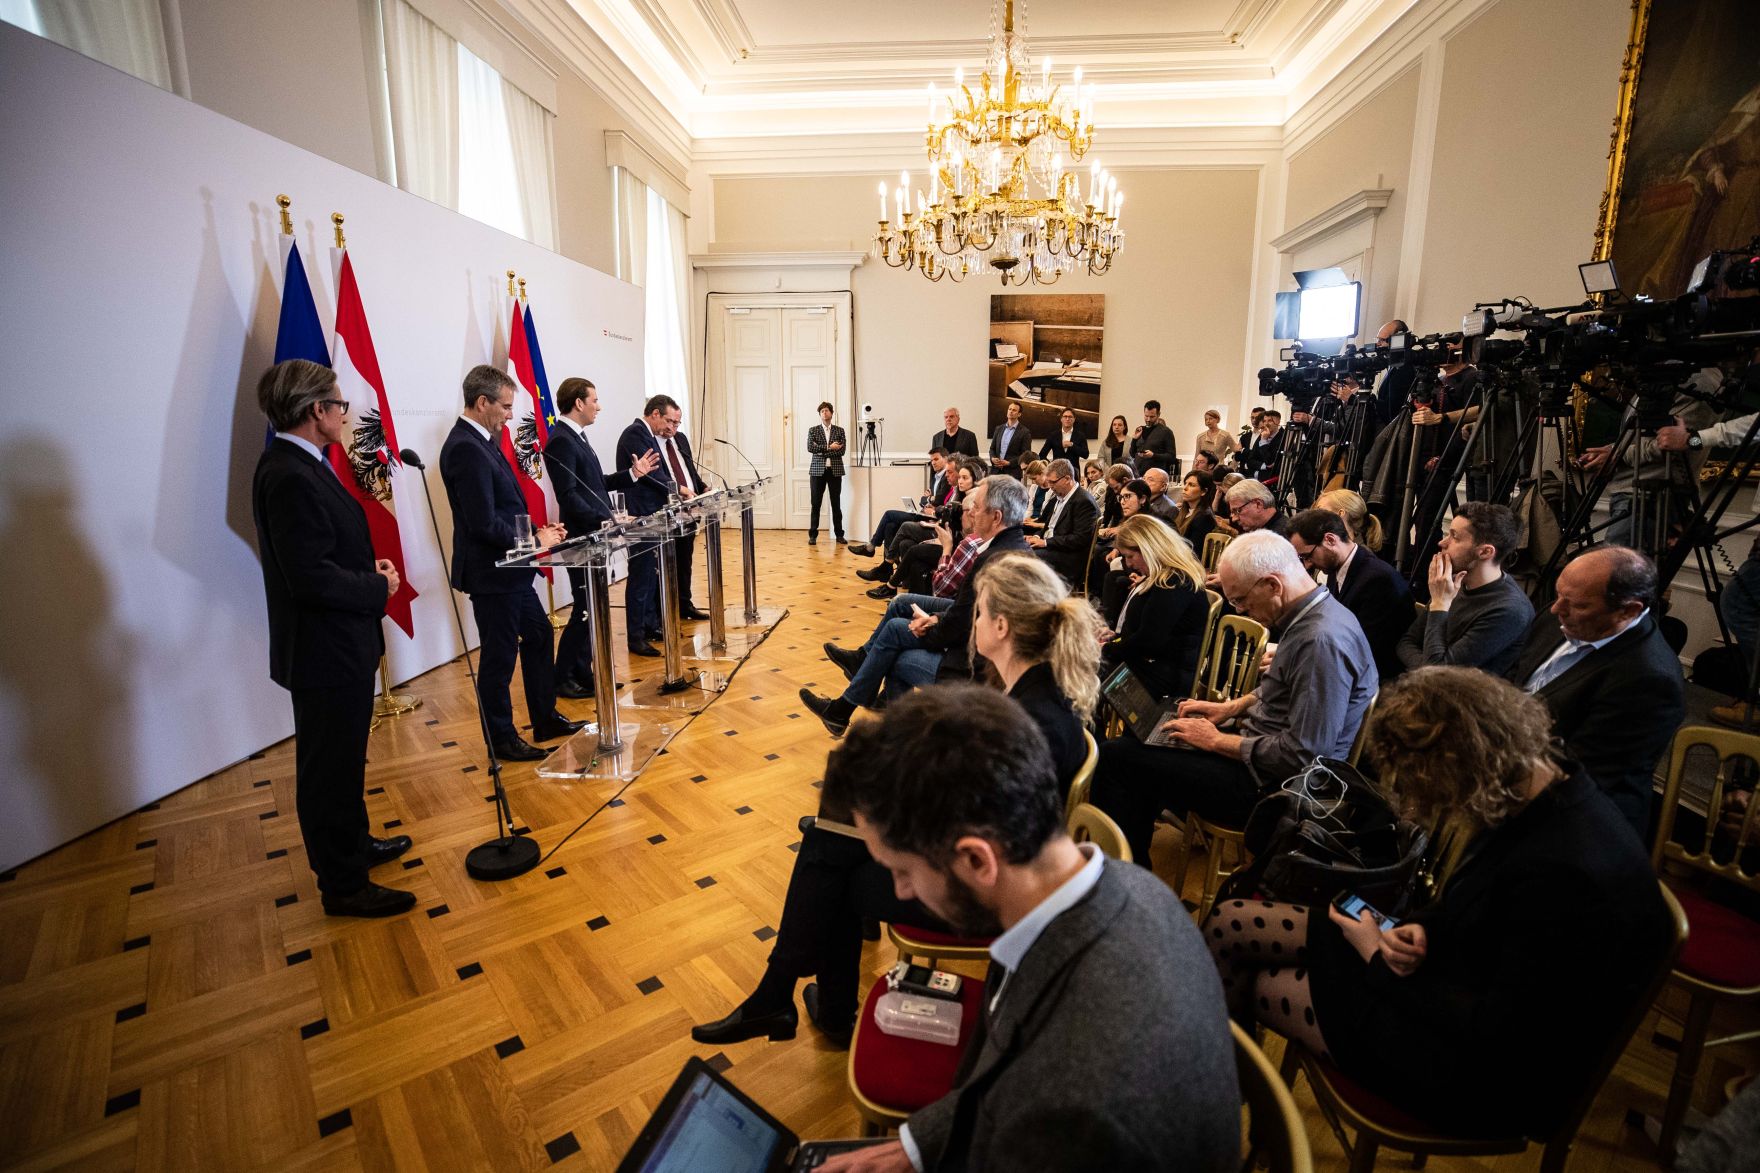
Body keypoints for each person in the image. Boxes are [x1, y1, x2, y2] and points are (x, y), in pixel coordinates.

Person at [1206, 667, 1672, 1141]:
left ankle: (1209, 1120)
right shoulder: (1546, 784)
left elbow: (1499, 1031)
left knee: (1260, 981)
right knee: (1231, 922)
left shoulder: (1566, 871)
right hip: (1454, 981)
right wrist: (1428, 928)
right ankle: (1212, 1108)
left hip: (1479, 1072)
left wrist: (1374, 955)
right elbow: (1487, 905)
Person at [807, 687, 1240, 1173]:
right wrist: (913, 1148)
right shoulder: (1125, 886)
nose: (901, 892)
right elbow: (1002, 1075)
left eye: (902, 870)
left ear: (976, 858)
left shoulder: (1074, 1112)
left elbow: (1034, 1096)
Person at [692, 561, 1104, 1054]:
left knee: (833, 864)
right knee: (834, 834)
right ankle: (787, 995)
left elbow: (971, 826)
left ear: (1001, 627)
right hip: (1001, 858)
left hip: (996, 892)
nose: (968, 623)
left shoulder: (1028, 714)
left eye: (976, 614)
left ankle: (794, 997)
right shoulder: (1035, 690)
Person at [1091, 530, 1377, 863]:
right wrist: (1230, 707)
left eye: (1241, 600)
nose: (1240, 609)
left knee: (1116, 760)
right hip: (1260, 757)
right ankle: (1133, 859)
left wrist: (1215, 742)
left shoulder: (1320, 641)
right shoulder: (1317, 613)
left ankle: (1126, 878)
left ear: (1272, 585)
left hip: (1273, 789)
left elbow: (1305, 755)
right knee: (1147, 741)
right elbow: (1285, 686)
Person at [251, 359, 413, 918]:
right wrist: (376, 584)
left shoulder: (305, 465)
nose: (346, 415)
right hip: (324, 651)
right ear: (316, 410)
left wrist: (368, 567)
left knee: (345, 762)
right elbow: (310, 578)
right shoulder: (289, 474)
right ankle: (343, 885)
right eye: (340, 405)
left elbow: (323, 551)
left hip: (339, 646)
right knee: (327, 770)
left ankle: (355, 845)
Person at [804, 476, 1031, 734]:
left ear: (997, 517)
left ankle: (880, 725)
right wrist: (934, 618)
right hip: (972, 637)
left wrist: (929, 625)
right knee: (901, 606)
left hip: (972, 665)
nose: (971, 514)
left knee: (896, 641)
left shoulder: (991, 559)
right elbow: (967, 612)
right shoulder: (1014, 547)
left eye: (977, 508)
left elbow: (963, 624)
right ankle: (857, 691)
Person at [440, 365, 584, 762]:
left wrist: (538, 529)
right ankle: (501, 738)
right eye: (504, 406)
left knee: (538, 636)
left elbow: (506, 507)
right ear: (482, 402)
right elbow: (482, 521)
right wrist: (533, 540)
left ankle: (544, 718)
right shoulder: (465, 447)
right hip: (493, 573)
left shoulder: (483, 440)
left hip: (512, 570)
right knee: (499, 658)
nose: (509, 415)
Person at [1506, 545, 1685, 840]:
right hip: (1519, 778)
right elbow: (1514, 680)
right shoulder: (1558, 619)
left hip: (1575, 824)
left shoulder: (1649, 680)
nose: (1555, 608)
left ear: (1628, 610)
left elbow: (1577, 773)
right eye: (1558, 594)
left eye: (1576, 604)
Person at [542, 376, 659, 698]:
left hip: (595, 536)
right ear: (578, 403)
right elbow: (568, 496)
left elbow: (596, 484)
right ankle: (563, 676)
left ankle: (583, 671)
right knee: (584, 609)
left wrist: (633, 475)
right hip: (582, 538)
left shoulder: (577, 437)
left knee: (592, 607)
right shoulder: (562, 440)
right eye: (594, 400)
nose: (599, 406)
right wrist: (607, 520)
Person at [1395, 502, 1532, 676]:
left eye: (1455, 537)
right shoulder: (1451, 582)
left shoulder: (1509, 610)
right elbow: (1406, 643)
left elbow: (1437, 674)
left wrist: (1439, 604)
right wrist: (1427, 667)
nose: (1442, 542)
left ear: (1485, 552)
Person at [615, 394, 697, 656]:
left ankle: (650, 625)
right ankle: (636, 636)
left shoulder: (647, 434)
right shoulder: (634, 435)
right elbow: (652, 475)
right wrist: (680, 489)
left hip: (653, 514)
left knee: (652, 574)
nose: (671, 428)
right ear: (654, 414)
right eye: (669, 421)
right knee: (641, 577)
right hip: (640, 514)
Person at [1288, 508, 1411, 683]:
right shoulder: (1336, 567)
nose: (1307, 565)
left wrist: (1298, 660)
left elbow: (1362, 649)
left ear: (1330, 540)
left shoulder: (1378, 580)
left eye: (1308, 556)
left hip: (1375, 680)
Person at [1098, 514, 1211, 700]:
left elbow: (1148, 643)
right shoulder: (1168, 578)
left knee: (1082, 670)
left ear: (1149, 549)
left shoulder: (1174, 582)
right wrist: (1118, 639)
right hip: (1156, 663)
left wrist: (1106, 649)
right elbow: (1148, 632)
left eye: (1130, 556)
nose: (1129, 564)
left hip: (1165, 674)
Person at [849, 450, 954, 559]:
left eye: (936, 459)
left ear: (945, 459)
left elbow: (937, 500)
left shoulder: (946, 478)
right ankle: (888, 564)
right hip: (926, 513)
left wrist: (928, 499)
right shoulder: (935, 477)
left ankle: (871, 547)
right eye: (931, 460)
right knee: (890, 526)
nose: (933, 463)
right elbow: (924, 500)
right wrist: (928, 499)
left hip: (932, 518)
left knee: (889, 514)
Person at [1024, 459, 1098, 588]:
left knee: (1026, 559)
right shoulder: (1058, 496)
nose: (1050, 486)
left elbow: (1080, 539)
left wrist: (1045, 542)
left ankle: (1033, 601)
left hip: (1069, 557)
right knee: (1015, 548)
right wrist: (1036, 537)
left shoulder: (1083, 501)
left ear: (1067, 479)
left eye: (1053, 482)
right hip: (1054, 548)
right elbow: (1048, 527)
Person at [806, 400, 847, 546]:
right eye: (822, 411)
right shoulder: (813, 430)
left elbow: (842, 450)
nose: (825, 412)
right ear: (819, 414)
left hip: (835, 471)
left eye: (827, 410)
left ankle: (839, 535)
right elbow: (811, 448)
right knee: (815, 503)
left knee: (836, 504)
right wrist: (830, 447)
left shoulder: (839, 430)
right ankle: (813, 536)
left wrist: (822, 449)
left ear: (831, 413)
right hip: (817, 471)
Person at [1313, 487, 1386, 557]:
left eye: (1320, 510)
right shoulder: (1330, 549)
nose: (1314, 515)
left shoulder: (1361, 557)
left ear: (1340, 514)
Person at [1173, 469, 1218, 548]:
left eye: (1191, 485)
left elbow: (1194, 550)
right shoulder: (1185, 511)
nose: (1185, 488)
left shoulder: (1204, 517)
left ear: (1203, 491)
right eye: (1185, 483)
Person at [988, 400, 1033, 478]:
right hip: (996, 472)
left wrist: (1009, 463)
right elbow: (992, 448)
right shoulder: (998, 428)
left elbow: (1025, 455)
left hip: (1013, 473)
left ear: (1019, 414)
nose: (1011, 411)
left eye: (1014, 410)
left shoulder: (1025, 432)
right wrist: (992, 458)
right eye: (1010, 409)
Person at [1132, 399, 1177, 476]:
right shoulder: (1140, 429)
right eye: (1146, 416)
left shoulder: (1166, 432)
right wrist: (1134, 439)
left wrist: (1153, 455)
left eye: (1152, 417)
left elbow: (1172, 457)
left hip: (1155, 476)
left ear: (1158, 414)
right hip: (1138, 474)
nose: (1148, 419)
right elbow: (1132, 454)